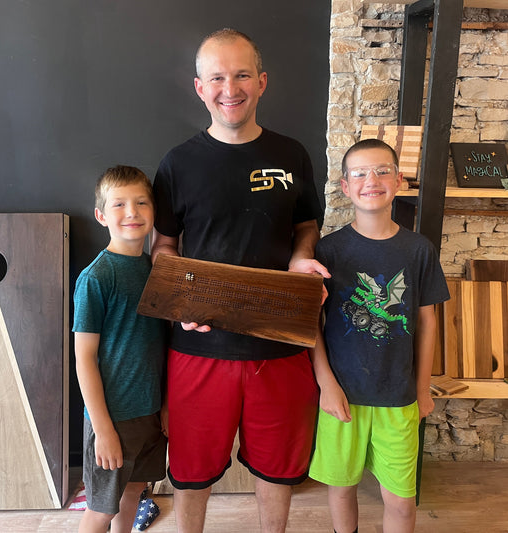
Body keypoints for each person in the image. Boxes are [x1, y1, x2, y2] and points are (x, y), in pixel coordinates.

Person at [151, 28, 330, 533]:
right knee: (190, 474)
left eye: (242, 74)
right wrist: (182, 299)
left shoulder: (291, 154)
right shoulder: (178, 163)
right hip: (198, 350)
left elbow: (305, 225)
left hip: (280, 347)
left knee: (279, 469)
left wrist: (300, 258)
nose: (231, 87)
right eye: (218, 77)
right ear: (200, 88)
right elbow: (164, 246)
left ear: (262, 81)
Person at [308, 139, 450, 533]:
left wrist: (423, 389)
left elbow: (428, 323)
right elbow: (311, 325)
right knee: (341, 489)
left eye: (382, 170)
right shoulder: (330, 251)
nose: (372, 180)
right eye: (360, 173)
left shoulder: (419, 250)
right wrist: (326, 384)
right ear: (345, 186)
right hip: (343, 397)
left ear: (399, 180)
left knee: (402, 500)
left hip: (398, 397)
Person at [73, 165, 168, 533]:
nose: (132, 212)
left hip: (149, 413)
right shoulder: (97, 277)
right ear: (101, 215)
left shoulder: (156, 270)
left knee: (134, 493)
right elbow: (84, 357)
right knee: (101, 509)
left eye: (142, 202)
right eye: (119, 204)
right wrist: (103, 429)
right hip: (112, 417)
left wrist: (163, 407)